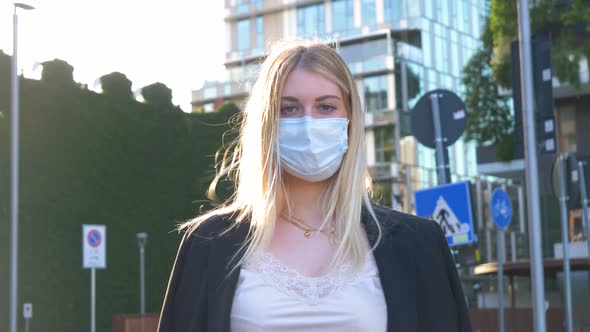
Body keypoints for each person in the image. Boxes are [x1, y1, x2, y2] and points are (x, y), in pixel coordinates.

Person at [157, 39, 472, 332]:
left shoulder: (418, 244)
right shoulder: (208, 243)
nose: (309, 124)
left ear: (350, 119)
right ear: (266, 123)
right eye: (289, 109)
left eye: (326, 107)